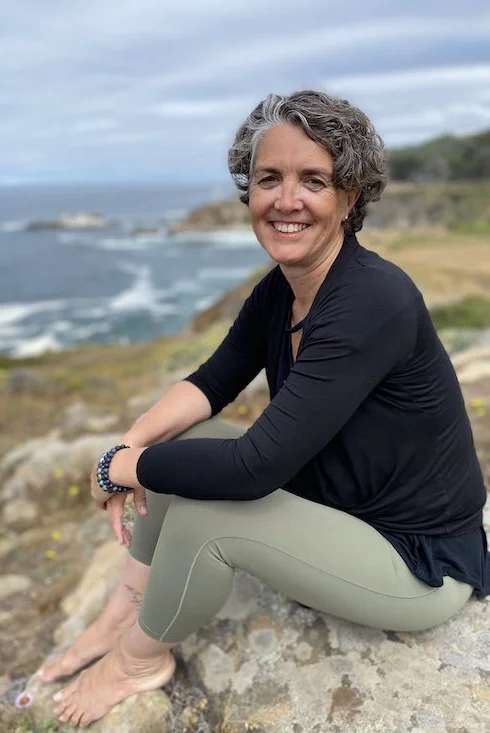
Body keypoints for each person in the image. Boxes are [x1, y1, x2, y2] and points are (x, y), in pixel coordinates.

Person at [39, 90, 489, 728]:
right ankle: (120, 615)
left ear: (350, 196)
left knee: (205, 516)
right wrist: (129, 445)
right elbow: (213, 382)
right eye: (268, 179)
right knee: (192, 442)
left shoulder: (372, 301)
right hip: (343, 510)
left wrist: (125, 467)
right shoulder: (284, 289)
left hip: (416, 561)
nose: (286, 200)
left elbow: (253, 471)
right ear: (248, 191)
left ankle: (139, 661)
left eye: (314, 180)